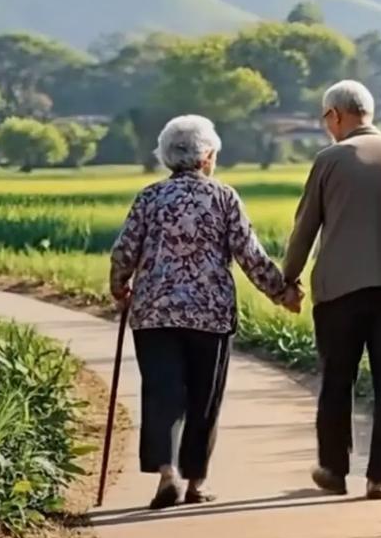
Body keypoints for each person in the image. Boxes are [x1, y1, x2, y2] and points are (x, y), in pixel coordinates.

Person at [110, 114, 301, 510]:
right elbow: (249, 254)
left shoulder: (149, 197)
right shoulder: (223, 197)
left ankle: (168, 473)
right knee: (204, 396)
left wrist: (119, 284)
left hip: (155, 312)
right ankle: (195, 481)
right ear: (208, 156)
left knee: (161, 392)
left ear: (167, 156)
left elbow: (125, 249)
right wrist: (281, 292)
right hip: (209, 314)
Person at [283, 81, 381, 500]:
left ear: (335, 115)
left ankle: (334, 470)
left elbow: (305, 229)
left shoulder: (329, 160)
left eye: (326, 118)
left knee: (338, 377)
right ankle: (380, 477)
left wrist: (289, 279)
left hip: (340, 289)